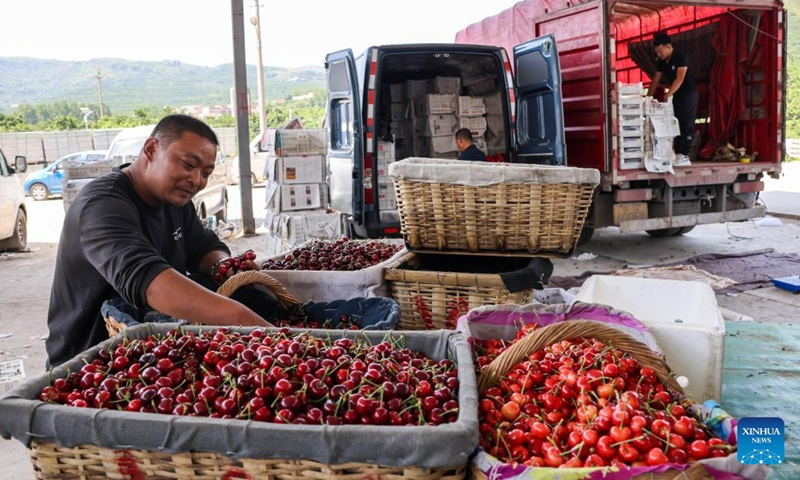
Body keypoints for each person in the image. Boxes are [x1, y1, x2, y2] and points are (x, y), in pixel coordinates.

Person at [46, 114, 274, 368]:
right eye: (189, 165)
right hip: (90, 364)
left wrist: (226, 267)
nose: (197, 180)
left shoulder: (175, 201)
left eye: (206, 173)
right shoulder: (102, 205)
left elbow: (204, 249)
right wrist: (244, 318)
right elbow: (151, 283)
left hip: (153, 353)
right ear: (151, 149)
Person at [646, 31, 699, 165]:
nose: (658, 55)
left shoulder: (681, 57)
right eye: (656, 52)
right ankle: (677, 153)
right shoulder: (662, 62)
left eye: (660, 51)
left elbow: (679, 79)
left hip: (688, 94)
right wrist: (647, 98)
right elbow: (656, 80)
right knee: (676, 123)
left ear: (669, 47)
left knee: (686, 123)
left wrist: (667, 95)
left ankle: (684, 154)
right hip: (677, 95)